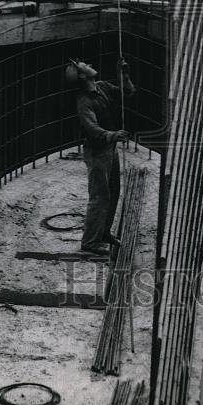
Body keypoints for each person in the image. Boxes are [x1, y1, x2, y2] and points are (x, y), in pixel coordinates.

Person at [64, 57, 136, 256]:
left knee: (112, 191)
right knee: (99, 197)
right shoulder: (84, 101)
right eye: (85, 65)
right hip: (97, 152)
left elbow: (127, 93)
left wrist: (124, 77)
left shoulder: (101, 87)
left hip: (109, 148)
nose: (90, 64)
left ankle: (103, 232)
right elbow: (92, 129)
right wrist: (113, 135)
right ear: (81, 75)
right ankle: (90, 242)